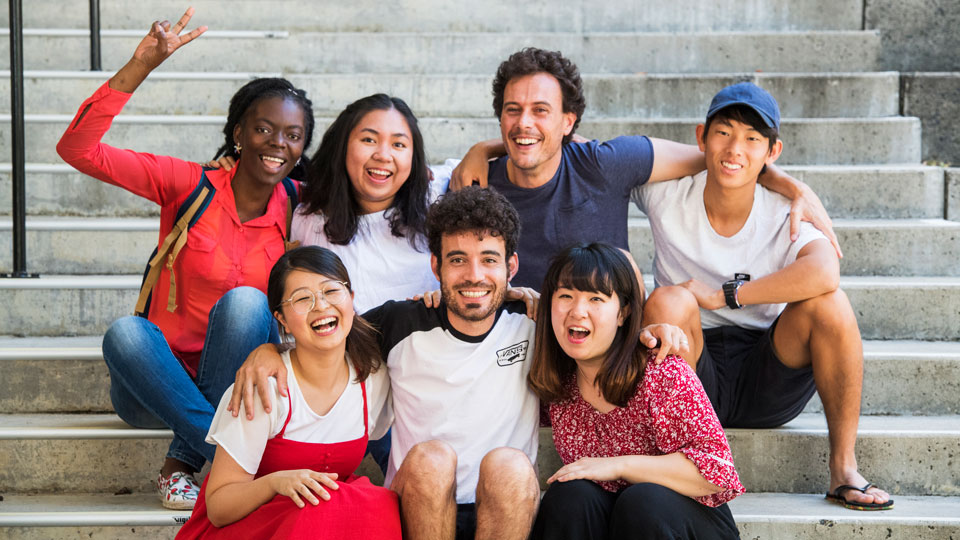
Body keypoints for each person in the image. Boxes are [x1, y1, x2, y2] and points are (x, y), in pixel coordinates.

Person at [55, 8, 315, 509]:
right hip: (152, 385)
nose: (278, 144)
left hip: (243, 386)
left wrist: (482, 155)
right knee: (124, 334)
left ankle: (184, 462)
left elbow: (385, 181)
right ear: (239, 133)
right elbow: (78, 149)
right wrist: (141, 66)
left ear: (303, 147)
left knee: (245, 303)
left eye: (293, 135)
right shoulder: (188, 184)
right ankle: (228, 455)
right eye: (264, 129)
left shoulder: (301, 207)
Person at [635, 82, 893, 511]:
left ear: (773, 151)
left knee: (830, 302)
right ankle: (675, 464)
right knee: (666, 302)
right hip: (693, 365)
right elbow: (587, 156)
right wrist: (485, 151)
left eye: (753, 139)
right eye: (724, 132)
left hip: (768, 370)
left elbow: (826, 269)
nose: (736, 148)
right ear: (701, 136)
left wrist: (726, 295)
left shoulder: (782, 209)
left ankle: (843, 468)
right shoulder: (667, 192)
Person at [229, 187, 541, 540]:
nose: (473, 275)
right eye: (457, 260)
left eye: (488, 260)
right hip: (420, 501)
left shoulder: (537, 323)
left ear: (510, 266)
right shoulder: (400, 322)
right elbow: (326, 332)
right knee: (432, 460)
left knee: (510, 465)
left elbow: (605, 317)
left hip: (507, 505)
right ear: (436, 265)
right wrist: (269, 351)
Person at [452, 47, 841, 296]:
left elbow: (721, 157)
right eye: (512, 109)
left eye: (541, 110)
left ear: (568, 121)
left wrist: (786, 182)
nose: (524, 122)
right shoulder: (475, 185)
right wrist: (481, 150)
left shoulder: (606, 165)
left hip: (593, 346)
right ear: (500, 115)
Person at [175, 246, 399, 539]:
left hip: (326, 521)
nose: (321, 306)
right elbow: (218, 507)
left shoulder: (372, 377)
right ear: (280, 319)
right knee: (317, 512)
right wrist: (275, 483)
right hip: (251, 526)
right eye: (303, 298)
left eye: (332, 291)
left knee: (378, 508)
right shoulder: (263, 387)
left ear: (352, 299)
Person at [528, 243, 743, 539]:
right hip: (612, 521)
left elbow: (717, 471)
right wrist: (510, 296)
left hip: (680, 520)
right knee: (570, 496)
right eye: (565, 296)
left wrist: (617, 466)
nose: (577, 311)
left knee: (642, 502)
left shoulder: (660, 371)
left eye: (595, 298)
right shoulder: (558, 383)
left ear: (623, 313)